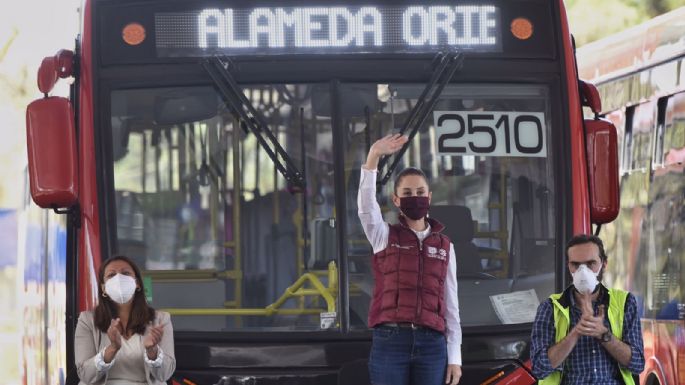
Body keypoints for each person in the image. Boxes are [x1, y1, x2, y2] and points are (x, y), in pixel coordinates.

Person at [358, 134, 462, 385]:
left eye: (419, 191)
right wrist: (373, 156)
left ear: (429, 197)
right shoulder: (383, 235)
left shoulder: (445, 246)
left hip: (432, 345)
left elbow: (451, 305)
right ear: (396, 200)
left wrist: (454, 357)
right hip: (390, 341)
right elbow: (366, 208)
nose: (414, 197)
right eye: (407, 192)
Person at [531, 234, 645, 384]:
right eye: (576, 265)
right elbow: (539, 368)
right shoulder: (549, 308)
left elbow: (637, 364)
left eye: (591, 263)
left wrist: (603, 334)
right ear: (568, 266)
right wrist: (576, 332)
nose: (582, 272)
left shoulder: (625, 303)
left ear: (604, 264)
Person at [75, 255, 175, 385]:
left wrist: (152, 351)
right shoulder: (87, 320)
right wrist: (112, 348)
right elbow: (85, 375)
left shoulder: (161, 319)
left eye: (125, 273)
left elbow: (165, 374)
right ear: (103, 288)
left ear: (137, 283)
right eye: (111, 275)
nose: (119, 279)